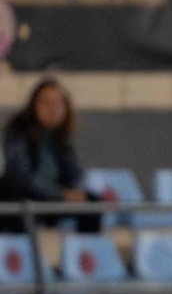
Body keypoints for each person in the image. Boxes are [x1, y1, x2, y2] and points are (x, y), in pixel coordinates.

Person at [0, 77, 101, 233]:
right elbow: (23, 177)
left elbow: (76, 173)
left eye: (57, 103)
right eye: (45, 102)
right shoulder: (17, 132)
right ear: (33, 106)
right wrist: (61, 194)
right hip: (27, 197)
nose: (52, 108)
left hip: (53, 199)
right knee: (16, 201)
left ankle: (87, 252)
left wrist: (74, 192)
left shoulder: (61, 138)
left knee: (92, 202)